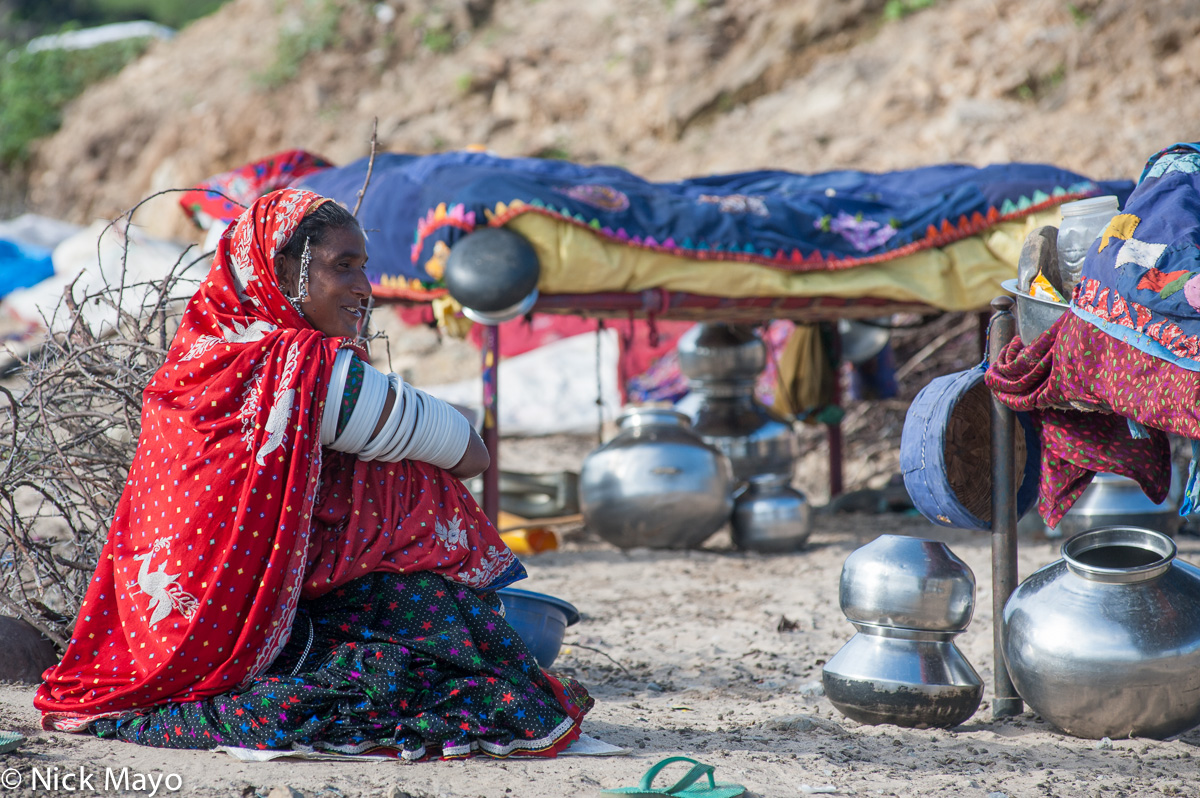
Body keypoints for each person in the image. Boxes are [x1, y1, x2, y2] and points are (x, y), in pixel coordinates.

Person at [34, 188, 592, 759]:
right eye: (342, 267)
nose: (363, 288)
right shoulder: (300, 369)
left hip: (167, 634)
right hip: (226, 640)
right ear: (281, 271)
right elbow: (470, 453)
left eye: (364, 268)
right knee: (424, 619)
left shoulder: (200, 357)